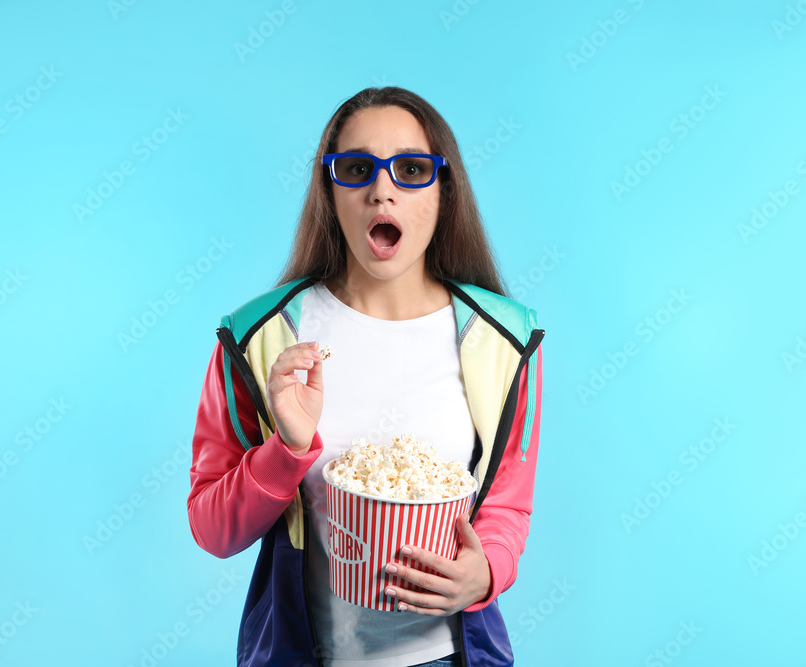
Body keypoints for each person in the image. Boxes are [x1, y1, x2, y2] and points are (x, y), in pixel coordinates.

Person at [187, 86, 545, 667]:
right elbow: (212, 528)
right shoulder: (259, 337)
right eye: (356, 169)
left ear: (443, 193)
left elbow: (508, 506)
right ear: (329, 193)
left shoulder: (502, 340)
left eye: (410, 169)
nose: (383, 189)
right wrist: (288, 448)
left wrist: (485, 572)